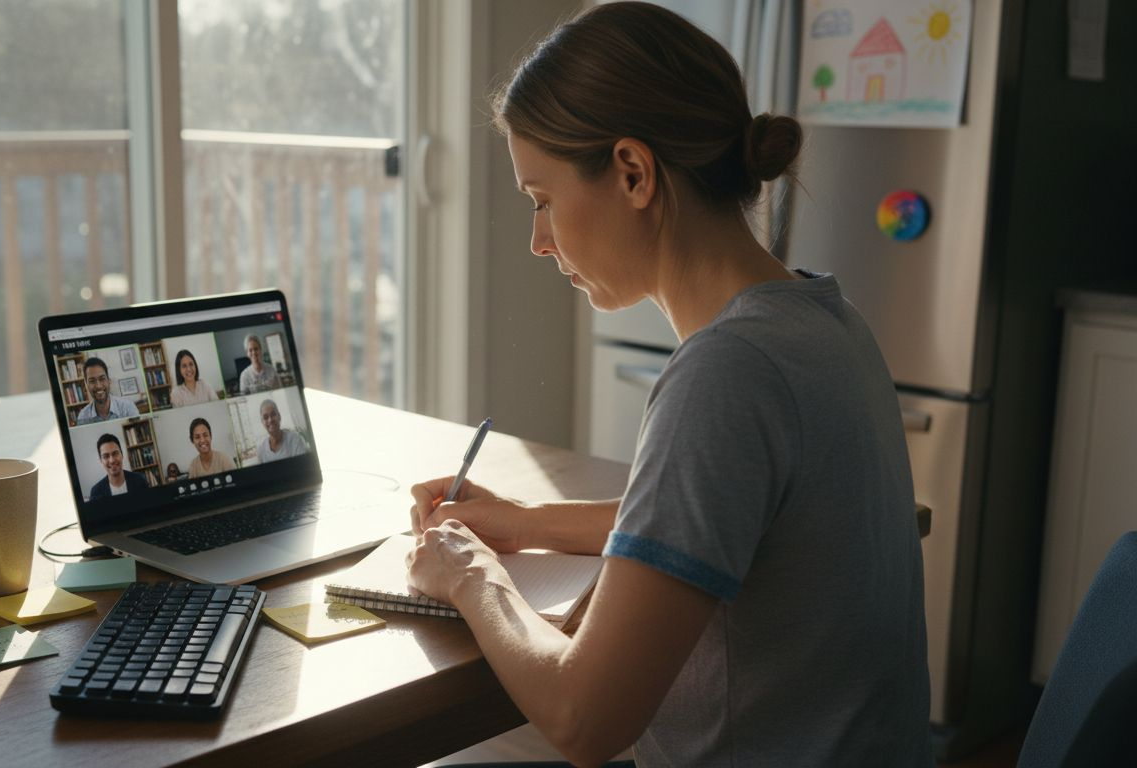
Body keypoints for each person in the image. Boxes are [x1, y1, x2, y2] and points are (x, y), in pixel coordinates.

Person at [404, 4, 930, 767]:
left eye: (542, 199)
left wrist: (471, 572)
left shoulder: (726, 373)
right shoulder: (823, 319)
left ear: (632, 172)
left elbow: (587, 722)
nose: (538, 241)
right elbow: (714, 509)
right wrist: (525, 523)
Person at [75, 356, 139, 425]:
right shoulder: (83, 417)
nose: (98, 386)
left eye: (102, 379)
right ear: (86, 386)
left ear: (109, 381)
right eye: (92, 381)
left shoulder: (128, 407)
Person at [87, 433, 149, 499]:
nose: (112, 460)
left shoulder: (140, 480)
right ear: (101, 461)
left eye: (115, 453)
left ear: (122, 455)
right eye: (106, 456)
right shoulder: (96, 492)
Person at [256, 399, 309, 463]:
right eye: (265, 417)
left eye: (273, 414)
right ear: (262, 422)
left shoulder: (295, 439)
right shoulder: (261, 451)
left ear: (279, 416)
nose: (270, 420)